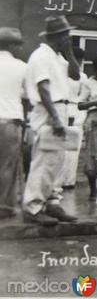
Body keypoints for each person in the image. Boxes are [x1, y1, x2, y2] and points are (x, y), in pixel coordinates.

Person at [21, 16, 81, 225]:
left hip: (62, 107)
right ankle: (33, 207)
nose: (68, 38)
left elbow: (75, 74)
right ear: (56, 36)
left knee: (58, 161)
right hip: (48, 110)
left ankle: (52, 202)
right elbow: (43, 88)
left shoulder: (59, 58)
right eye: (66, 35)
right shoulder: (40, 56)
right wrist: (55, 117)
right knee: (44, 160)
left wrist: (70, 51)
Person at [0, 28, 27, 219]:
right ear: (10, 45)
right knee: (8, 166)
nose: (19, 48)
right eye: (17, 44)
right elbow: (28, 95)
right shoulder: (21, 66)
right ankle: (5, 205)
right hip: (10, 121)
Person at [78, 55, 97, 202]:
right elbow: (80, 104)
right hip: (95, 118)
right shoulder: (89, 83)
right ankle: (93, 188)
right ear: (96, 70)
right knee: (93, 153)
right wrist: (95, 103)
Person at [60, 46, 87, 190]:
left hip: (76, 111)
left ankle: (69, 180)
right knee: (64, 148)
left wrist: (78, 116)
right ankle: (62, 180)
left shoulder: (82, 77)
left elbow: (83, 98)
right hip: (66, 109)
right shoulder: (64, 73)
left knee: (72, 149)